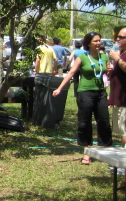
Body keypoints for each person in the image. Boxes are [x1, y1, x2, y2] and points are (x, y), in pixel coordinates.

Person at [53, 32, 112, 165]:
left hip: (101, 92)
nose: (99, 43)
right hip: (85, 93)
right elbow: (72, 72)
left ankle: (108, 152)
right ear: (89, 43)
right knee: (84, 123)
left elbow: (108, 73)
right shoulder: (82, 57)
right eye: (96, 41)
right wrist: (60, 88)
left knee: (104, 121)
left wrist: (110, 71)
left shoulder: (104, 56)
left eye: (99, 41)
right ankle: (87, 153)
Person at [109, 28, 126, 189]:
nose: (117, 39)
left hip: (125, 102)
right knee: (123, 133)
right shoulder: (120, 53)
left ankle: (123, 169)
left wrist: (117, 59)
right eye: (117, 36)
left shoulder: (120, 56)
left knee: (125, 134)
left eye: (121, 37)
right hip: (119, 100)